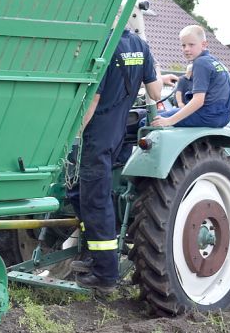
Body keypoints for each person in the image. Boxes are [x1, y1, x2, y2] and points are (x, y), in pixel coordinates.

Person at [69, 28, 164, 293]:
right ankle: (93, 253)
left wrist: (74, 134)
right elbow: (156, 93)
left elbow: (93, 99)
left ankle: (106, 273)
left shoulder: (105, 45)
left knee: (94, 198)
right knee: (83, 193)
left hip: (97, 132)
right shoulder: (140, 45)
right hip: (119, 130)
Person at [151, 25, 230, 128]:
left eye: (191, 45)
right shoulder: (215, 62)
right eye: (183, 45)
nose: (186, 49)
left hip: (207, 116)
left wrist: (169, 121)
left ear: (204, 44)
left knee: (149, 121)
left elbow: (198, 101)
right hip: (223, 116)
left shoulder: (200, 63)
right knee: (159, 113)